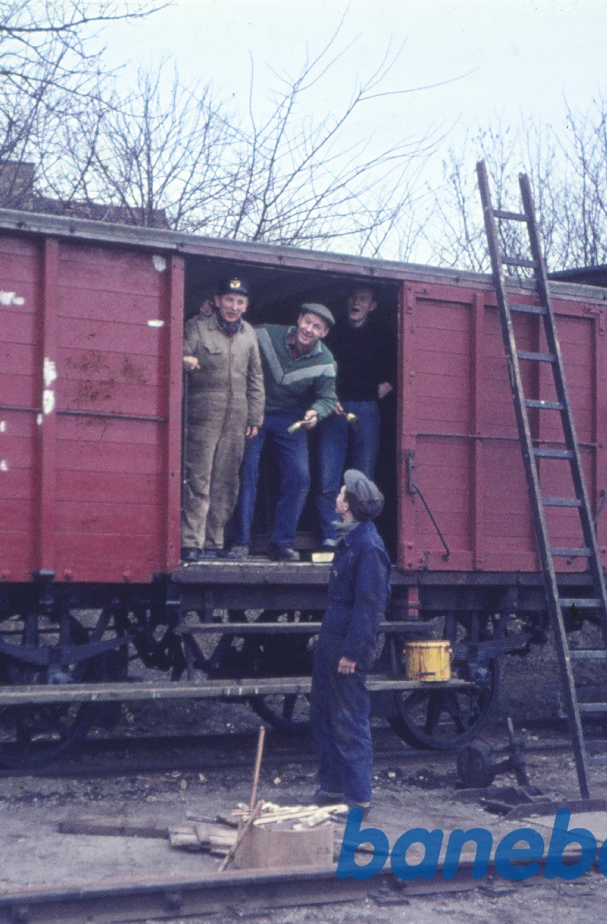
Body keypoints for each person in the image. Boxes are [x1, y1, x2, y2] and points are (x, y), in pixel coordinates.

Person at [228, 303, 337, 561]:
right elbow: (235, 338)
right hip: (254, 409)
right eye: (307, 321)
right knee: (247, 471)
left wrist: (316, 413)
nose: (309, 329)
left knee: (300, 477)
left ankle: (281, 544)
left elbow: (328, 398)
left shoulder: (326, 362)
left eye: (316, 327)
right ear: (299, 319)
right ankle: (240, 542)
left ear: (324, 333)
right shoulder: (265, 333)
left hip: (290, 417)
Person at [310, 469, 390, 815]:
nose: (337, 498)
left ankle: (358, 797)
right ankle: (331, 788)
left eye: (341, 494)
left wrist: (353, 653)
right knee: (324, 714)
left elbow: (369, 606)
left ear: (350, 505)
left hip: (346, 643)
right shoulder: (352, 538)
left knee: (349, 719)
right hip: (333, 637)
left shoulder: (367, 546)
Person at [181, 277, 264, 561]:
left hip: (238, 415)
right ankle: (192, 541)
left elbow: (256, 377)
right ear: (217, 301)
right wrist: (186, 361)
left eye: (240, 301)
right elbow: (179, 355)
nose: (234, 306)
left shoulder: (249, 333)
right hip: (203, 411)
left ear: (246, 305)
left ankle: (215, 541)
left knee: (226, 480)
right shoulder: (197, 326)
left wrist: (255, 415)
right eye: (229, 300)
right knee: (198, 478)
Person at [316, 285, 394, 549]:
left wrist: (384, 385)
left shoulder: (382, 335)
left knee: (363, 478)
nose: (356, 302)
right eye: (352, 296)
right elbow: (322, 371)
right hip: (335, 408)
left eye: (363, 298)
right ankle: (330, 536)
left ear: (372, 306)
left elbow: (391, 377)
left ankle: (359, 536)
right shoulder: (333, 333)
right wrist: (331, 394)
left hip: (366, 409)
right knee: (329, 474)